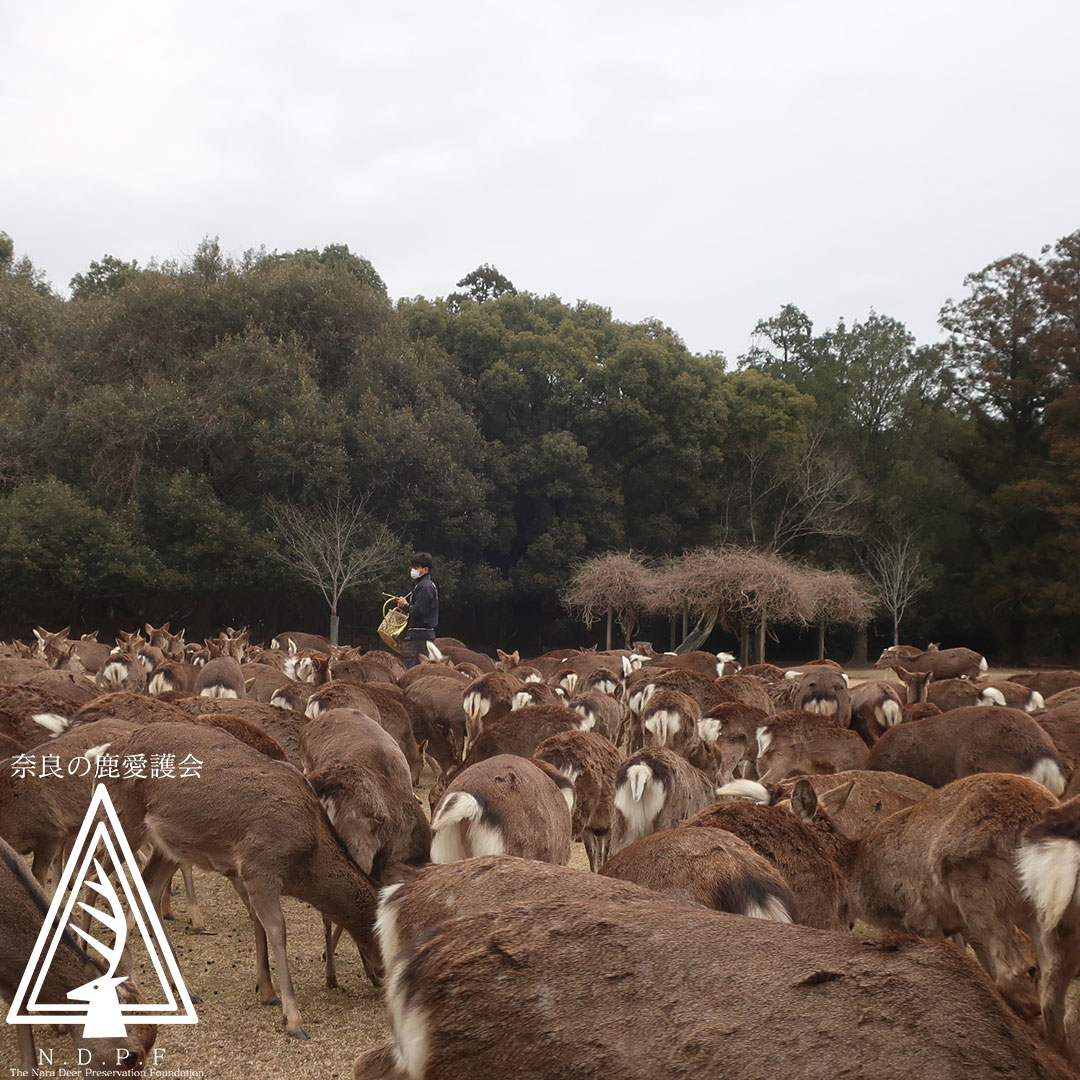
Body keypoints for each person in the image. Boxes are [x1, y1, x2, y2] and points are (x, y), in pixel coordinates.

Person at [396, 552, 439, 669]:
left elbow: (419, 612)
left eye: (416, 567)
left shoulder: (425, 587)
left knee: (409, 672)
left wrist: (405, 605)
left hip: (418, 640)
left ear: (425, 569)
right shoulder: (424, 585)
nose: (412, 570)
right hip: (421, 637)